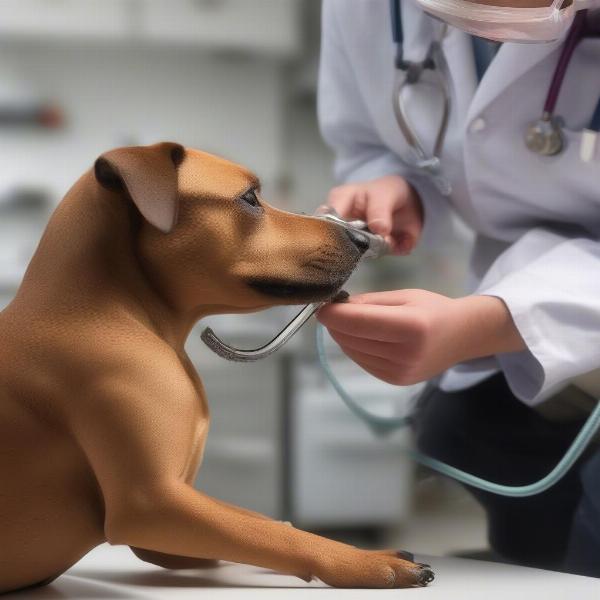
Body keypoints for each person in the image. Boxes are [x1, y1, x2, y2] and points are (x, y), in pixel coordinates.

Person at [316, 0, 600, 577]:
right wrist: (399, 184)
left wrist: (489, 324)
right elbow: (370, 139)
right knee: (464, 433)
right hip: (517, 311)